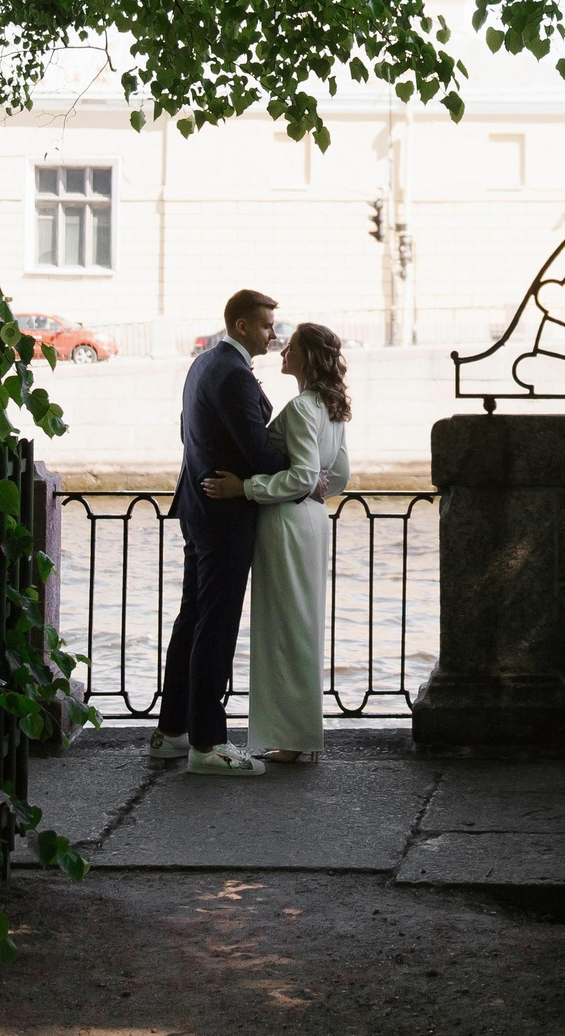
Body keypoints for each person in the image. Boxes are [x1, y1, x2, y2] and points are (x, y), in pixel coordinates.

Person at [202, 321, 352, 763]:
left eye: (291, 346)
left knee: (282, 629)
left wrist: (244, 488)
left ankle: (293, 739)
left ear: (305, 357)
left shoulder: (302, 408)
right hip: (314, 520)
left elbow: (304, 476)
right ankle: (299, 735)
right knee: (302, 625)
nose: (281, 349)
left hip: (286, 522)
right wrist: (317, 486)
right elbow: (337, 474)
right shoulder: (331, 406)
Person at [152, 289, 286, 775]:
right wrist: (300, 475)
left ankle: (172, 731)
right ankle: (208, 744)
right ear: (243, 326)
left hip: (196, 505)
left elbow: (190, 430)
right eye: (268, 324)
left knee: (193, 618)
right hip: (223, 512)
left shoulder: (204, 364)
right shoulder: (231, 374)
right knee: (217, 624)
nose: (275, 332)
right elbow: (256, 448)